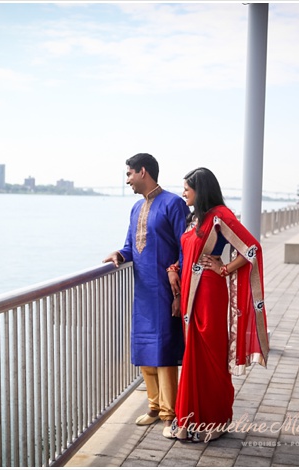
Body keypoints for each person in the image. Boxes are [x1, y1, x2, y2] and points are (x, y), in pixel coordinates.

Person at [170, 167, 269, 444]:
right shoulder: (194, 219)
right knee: (192, 359)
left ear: (200, 190)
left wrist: (224, 268)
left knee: (212, 357)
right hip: (190, 295)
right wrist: (175, 268)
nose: (183, 193)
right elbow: (186, 252)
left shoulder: (220, 216)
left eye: (187, 188)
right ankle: (188, 419)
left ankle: (218, 419)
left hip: (210, 294)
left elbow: (251, 249)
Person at [101, 153, 188, 439]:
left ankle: (169, 414)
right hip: (143, 294)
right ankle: (153, 406)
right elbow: (130, 244)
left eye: (129, 174)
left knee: (163, 351)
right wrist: (119, 253)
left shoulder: (173, 203)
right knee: (144, 349)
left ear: (143, 171)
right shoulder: (136, 208)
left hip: (165, 291)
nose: (127, 180)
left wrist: (179, 292)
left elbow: (185, 249)